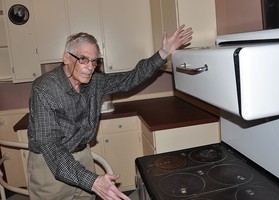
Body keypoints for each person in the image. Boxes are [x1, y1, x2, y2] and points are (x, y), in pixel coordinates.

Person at [27, 24, 192, 200]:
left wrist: (163, 53)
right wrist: (92, 181)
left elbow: (129, 79)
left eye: (94, 61)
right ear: (67, 58)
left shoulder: (94, 81)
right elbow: (51, 146)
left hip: (82, 155)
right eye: (83, 59)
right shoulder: (44, 89)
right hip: (49, 165)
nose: (90, 67)